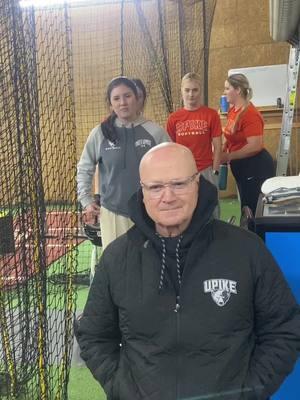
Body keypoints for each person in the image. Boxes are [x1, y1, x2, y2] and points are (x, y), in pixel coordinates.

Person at [76, 142, 300, 400]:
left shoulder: (246, 250)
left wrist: (247, 392)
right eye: (156, 187)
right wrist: (122, 389)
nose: (168, 196)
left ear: (197, 183)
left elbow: (283, 329)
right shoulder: (117, 258)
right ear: (143, 192)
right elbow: (93, 336)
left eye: (179, 184)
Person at [77, 76, 170, 250]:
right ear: (111, 104)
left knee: (148, 264)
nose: (123, 102)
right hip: (112, 213)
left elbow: (172, 168)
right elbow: (85, 167)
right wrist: (86, 200)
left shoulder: (155, 133)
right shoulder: (100, 133)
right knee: (116, 267)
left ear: (137, 98)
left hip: (149, 213)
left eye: (127, 96)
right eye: (116, 98)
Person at [221, 73, 275, 215]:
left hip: (255, 167)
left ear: (237, 90)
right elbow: (231, 134)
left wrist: (228, 156)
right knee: (245, 204)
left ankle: (255, 235)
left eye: (227, 88)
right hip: (241, 166)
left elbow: (254, 146)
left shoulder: (250, 114)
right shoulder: (233, 110)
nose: (224, 92)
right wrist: (224, 147)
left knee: (252, 208)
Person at [166, 72, 222, 189]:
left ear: (200, 90)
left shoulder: (211, 115)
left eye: (195, 90)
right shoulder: (173, 118)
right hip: (182, 171)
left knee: (210, 206)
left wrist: (215, 171)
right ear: (181, 91)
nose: (191, 94)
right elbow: (170, 149)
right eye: (187, 90)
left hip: (205, 170)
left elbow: (218, 147)